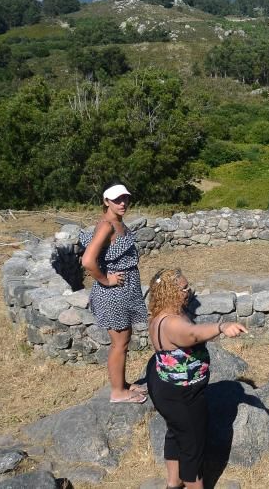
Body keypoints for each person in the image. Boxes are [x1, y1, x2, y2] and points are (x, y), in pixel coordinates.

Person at [147, 268, 247, 489]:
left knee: (176, 433)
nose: (188, 290)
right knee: (192, 448)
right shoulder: (171, 323)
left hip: (169, 386)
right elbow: (191, 334)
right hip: (181, 395)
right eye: (183, 288)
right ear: (169, 292)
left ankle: (174, 483)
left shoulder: (166, 311)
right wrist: (221, 326)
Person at [79, 182, 150, 404]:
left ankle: (122, 384)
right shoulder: (107, 225)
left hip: (123, 290)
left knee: (123, 341)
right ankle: (118, 393)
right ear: (106, 201)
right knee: (119, 343)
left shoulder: (118, 222)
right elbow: (87, 261)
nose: (123, 203)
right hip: (113, 293)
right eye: (117, 199)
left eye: (125, 198)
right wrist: (106, 280)